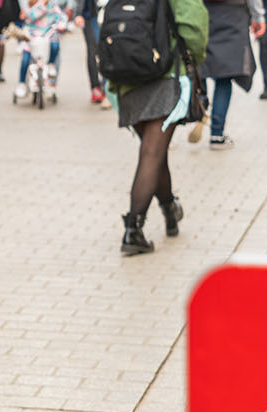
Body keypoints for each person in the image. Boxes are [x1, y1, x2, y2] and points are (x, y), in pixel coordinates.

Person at [110, 0, 207, 254]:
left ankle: (169, 209)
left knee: (153, 151)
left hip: (125, 77)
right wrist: (193, 59)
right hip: (164, 74)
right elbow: (193, 26)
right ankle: (133, 229)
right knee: (152, 153)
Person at [200, 0, 265, 149]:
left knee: (201, 67)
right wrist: (258, 17)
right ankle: (216, 134)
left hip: (203, 11)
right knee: (224, 77)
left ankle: (199, 109)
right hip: (233, 14)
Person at [14, 0, 66, 101]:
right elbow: (29, 16)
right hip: (31, 35)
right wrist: (42, 4)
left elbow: (60, 15)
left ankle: (51, 65)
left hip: (46, 34)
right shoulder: (31, 4)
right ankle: (22, 83)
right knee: (25, 59)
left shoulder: (52, 4)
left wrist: (62, 24)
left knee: (55, 45)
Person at [74, 0, 107, 103]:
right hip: (91, 16)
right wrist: (78, 14)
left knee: (107, 50)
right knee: (93, 51)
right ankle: (96, 87)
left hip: (110, 13)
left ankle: (107, 88)